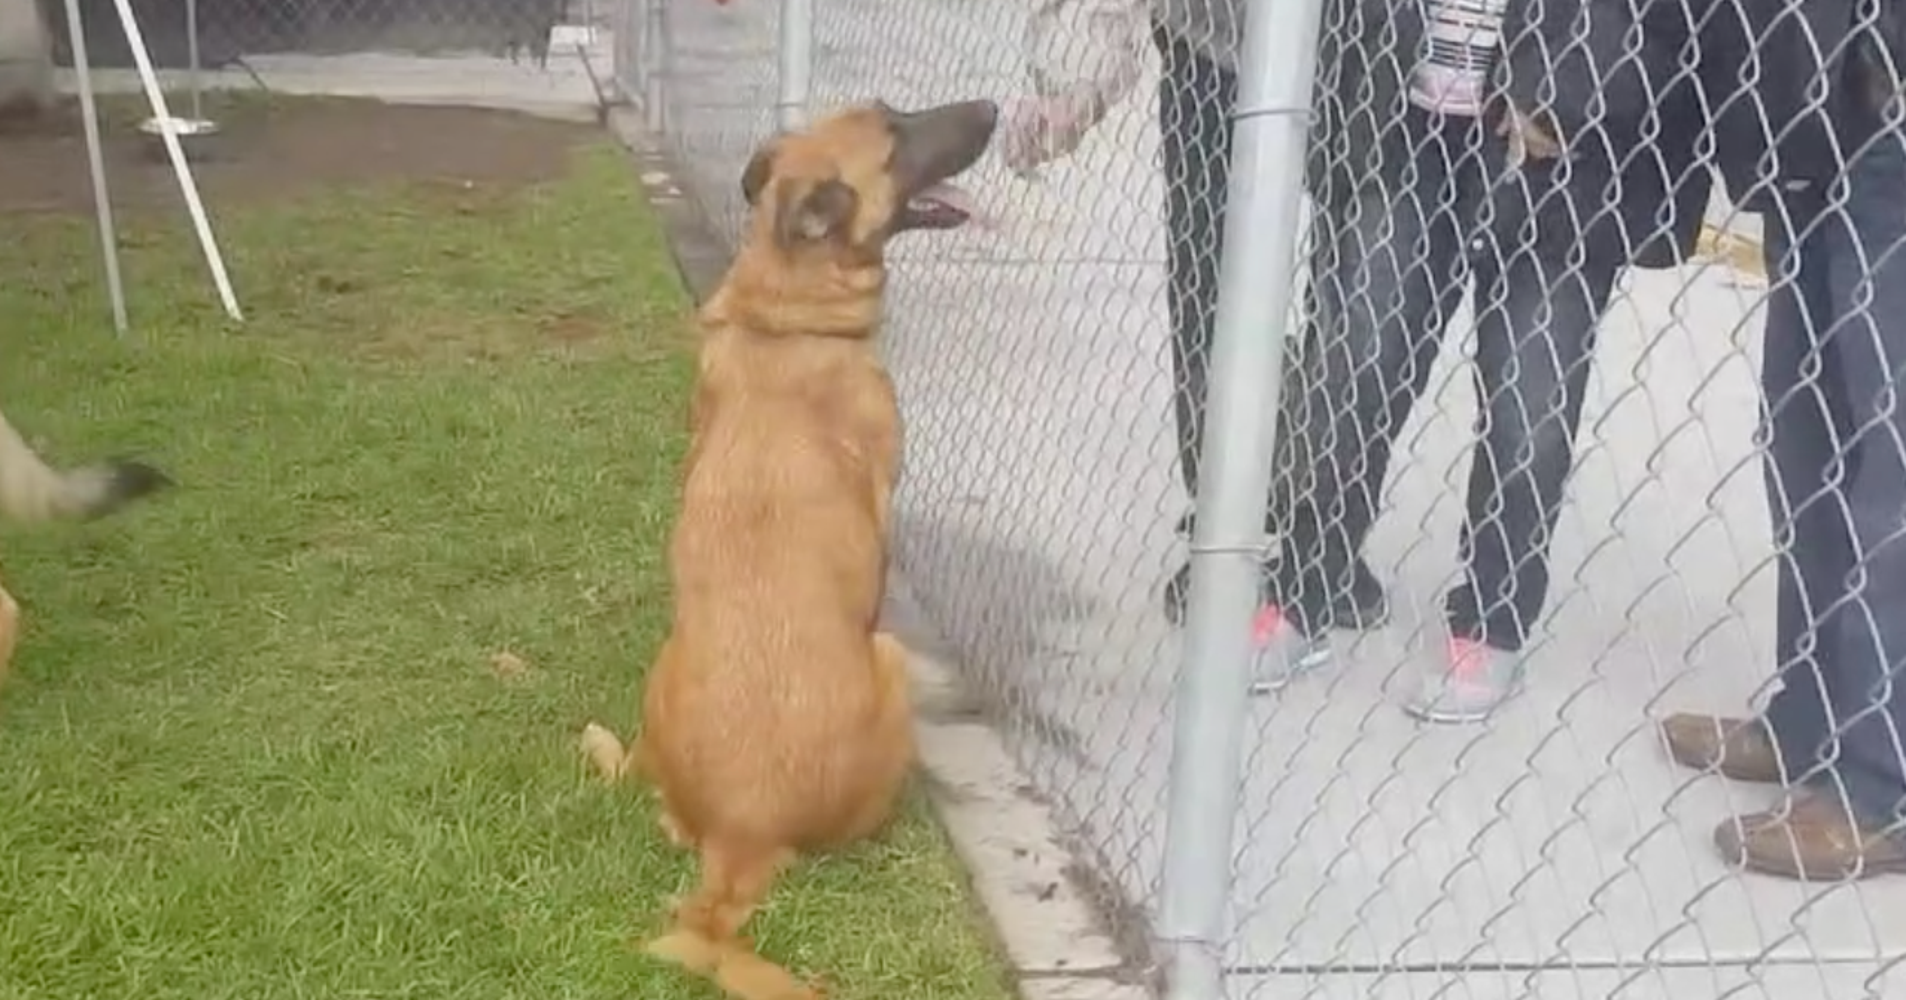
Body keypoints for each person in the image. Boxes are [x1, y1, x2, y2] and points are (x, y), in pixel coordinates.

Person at [1002, 0, 1703, 716]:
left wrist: (1569, 91)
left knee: (1529, 393)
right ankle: (1309, 582)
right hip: (1404, 112)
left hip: (1557, 143)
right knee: (1355, 354)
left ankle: (1492, 619)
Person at [1655, 0, 1906, 879]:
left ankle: (1882, 787)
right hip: (1814, 111)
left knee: (1891, 473)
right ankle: (1812, 720)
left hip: (1890, 115)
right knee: (1805, 439)